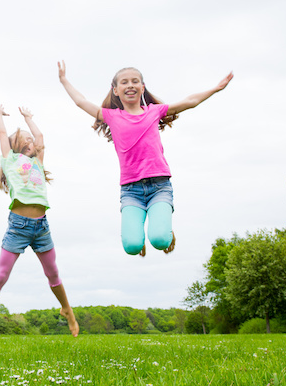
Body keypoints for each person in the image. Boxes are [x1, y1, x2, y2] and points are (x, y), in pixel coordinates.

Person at [58, 62, 233, 256]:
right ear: (115, 90)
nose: (130, 85)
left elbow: (189, 101)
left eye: (135, 81)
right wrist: (64, 80)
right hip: (131, 190)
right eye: (124, 82)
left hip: (159, 186)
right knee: (132, 247)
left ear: (142, 87)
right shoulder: (111, 116)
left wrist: (216, 89)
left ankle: (166, 230)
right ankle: (138, 235)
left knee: (160, 240)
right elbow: (81, 102)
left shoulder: (154, 111)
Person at [0, 103, 79, 352]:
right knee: (1, 275)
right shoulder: (10, 161)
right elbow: (1, 134)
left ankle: (67, 309)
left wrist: (29, 118)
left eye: (32, 140)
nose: (32, 141)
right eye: (27, 139)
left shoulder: (38, 163)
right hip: (18, 227)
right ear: (17, 145)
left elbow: (42, 138)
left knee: (53, 273)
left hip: (42, 227)